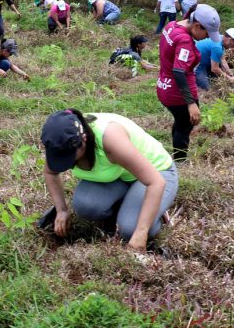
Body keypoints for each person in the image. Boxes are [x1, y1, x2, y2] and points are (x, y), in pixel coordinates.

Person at [40, 109, 178, 255]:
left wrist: (141, 233)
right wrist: (61, 210)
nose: (64, 161)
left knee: (130, 229)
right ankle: (128, 204)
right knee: (85, 205)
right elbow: (50, 172)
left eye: (68, 156)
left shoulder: (110, 138)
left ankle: (156, 211)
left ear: (83, 140)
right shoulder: (58, 140)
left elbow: (156, 182)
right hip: (120, 176)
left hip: (157, 174)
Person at [157, 4, 222, 161]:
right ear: (197, 25)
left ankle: (177, 155)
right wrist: (191, 103)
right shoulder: (185, 40)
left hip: (164, 84)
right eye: (207, 33)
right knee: (185, 125)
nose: (207, 37)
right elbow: (179, 71)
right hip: (176, 91)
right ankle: (180, 162)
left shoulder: (172, 25)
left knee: (181, 123)